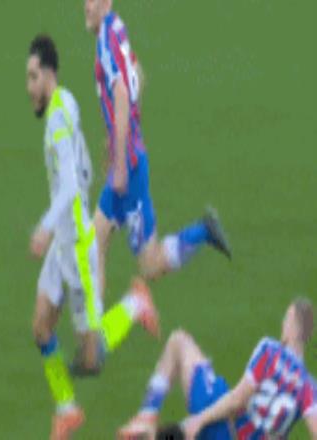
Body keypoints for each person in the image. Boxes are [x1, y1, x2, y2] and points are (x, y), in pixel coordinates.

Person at [26, 34, 160, 440]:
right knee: (41, 328)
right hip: (63, 243)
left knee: (92, 357)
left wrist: (44, 226)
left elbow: (69, 185)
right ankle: (67, 409)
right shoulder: (65, 101)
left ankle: (135, 304)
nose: (29, 87)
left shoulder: (56, 121)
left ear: (49, 74)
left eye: (33, 77)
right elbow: (80, 167)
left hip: (76, 246)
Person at [84, 0, 231, 297]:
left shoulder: (107, 41)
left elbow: (122, 93)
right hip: (128, 158)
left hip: (129, 168)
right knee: (94, 243)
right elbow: (138, 75)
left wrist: (121, 162)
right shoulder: (116, 28)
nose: (86, 5)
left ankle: (203, 231)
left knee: (149, 265)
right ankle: (93, 327)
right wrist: (117, 136)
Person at [118, 298, 317, 439]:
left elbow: (237, 400)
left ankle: (147, 415)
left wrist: (198, 420)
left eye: (286, 320)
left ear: (292, 327)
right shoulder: (309, 388)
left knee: (179, 342)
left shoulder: (270, 352)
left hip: (225, 430)